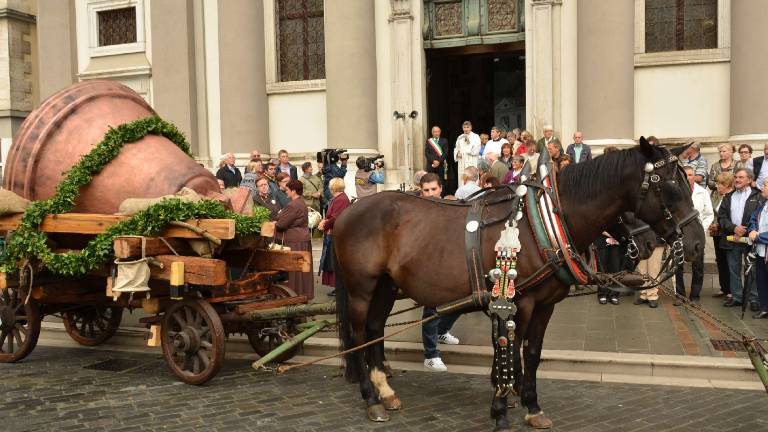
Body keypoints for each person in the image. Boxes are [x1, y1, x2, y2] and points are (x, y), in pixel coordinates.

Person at [419, 173, 461, 371]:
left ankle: (442, 331)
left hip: (450, 264)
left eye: (433, 189)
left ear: (441, 189)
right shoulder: (418, 212)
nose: (430, 194)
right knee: (431, 308)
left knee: (462, 304)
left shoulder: (450, 207)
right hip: (427, 267)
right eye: (426, 190)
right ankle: (430, 354)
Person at [718, 168, 763, 309]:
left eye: (741, 177)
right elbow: (721, 217)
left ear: (749, 180)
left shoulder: (758, 196)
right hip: (732, 239)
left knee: (752, 270)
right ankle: (737, 297)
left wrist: (745, 229)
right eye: (736, 177)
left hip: (750, 240)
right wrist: (734, 228)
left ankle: (754, 298)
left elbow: (759, 217)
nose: (737, 180)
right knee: (733, 269)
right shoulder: (728, 196)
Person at [674, 166, 714, 305]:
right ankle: (680, 295)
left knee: (697, 266)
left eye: (690, 174)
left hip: (697, 235)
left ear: (695, 176)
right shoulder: (676, 192)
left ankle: (695, 295)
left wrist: (701, 229)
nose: (688, 177)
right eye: (685, 175)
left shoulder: (702, 192)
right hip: (679, 235)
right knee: (677, 266)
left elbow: (709, 214)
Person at [274, 180, 314, 299]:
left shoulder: (293, 204)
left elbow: (281, 224)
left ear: (293, 191)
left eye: (287, 190)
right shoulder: (301, 202)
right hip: (302, 237)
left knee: (295, 269)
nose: (286, 192)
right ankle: (304, 293)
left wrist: (276, 222)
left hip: (295, 240)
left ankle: (296, 294)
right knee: (303, 269)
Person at [318, 178, 351, 296]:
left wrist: (324, 223)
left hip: (335, 234)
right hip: (333, 233)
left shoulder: (340, 199)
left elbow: (336, 217)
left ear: (333, 188)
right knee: (332, 261)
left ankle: (340, 288)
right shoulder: (339, 198)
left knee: (334, 262)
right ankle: (338, 287)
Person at [709, 172, 734, 300]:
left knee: (729, 261)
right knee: (720, 261)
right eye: (717, 183)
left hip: (727, 233)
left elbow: (730, 216)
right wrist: (712, 225)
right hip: (717, 233)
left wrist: (718, 225)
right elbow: (711, 212)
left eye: (720, 184)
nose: (717, 186)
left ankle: (731, 290)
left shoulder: (732, 196)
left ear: (728, 184)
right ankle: (723, 287)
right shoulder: (715, 195)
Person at [747, 181, 768, 319]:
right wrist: (752, 230)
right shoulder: (762, 205)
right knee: (761, 281)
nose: (762, 188)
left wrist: (758, 236)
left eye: (765, 185)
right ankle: (764, 308)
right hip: (760, 251)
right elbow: (753, 219)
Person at [595, 231, 623, 305]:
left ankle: (614, 294)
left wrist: (615, 236)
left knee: (616, 268)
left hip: (617, 240)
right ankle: (602, 293)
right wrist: (611, 235)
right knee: (602, 268)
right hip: (602, 239)